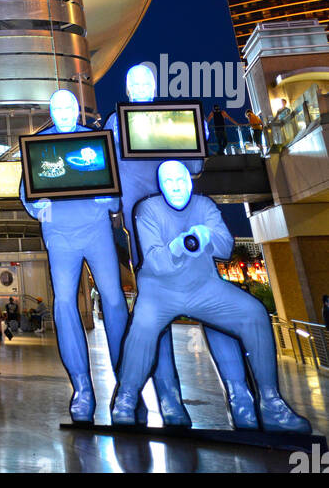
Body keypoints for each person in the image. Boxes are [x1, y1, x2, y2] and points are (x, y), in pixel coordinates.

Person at [106, 64, 255, 428]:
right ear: (126, 89)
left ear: (155, 86)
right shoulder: (115, 123)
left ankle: (239, 394)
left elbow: (193, 164)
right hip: (148, 238)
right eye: (133, 82)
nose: (140, 86)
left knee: (213, 304)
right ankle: (169, 397)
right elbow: (107, 174)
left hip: (188, 230)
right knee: (153, 317)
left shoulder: (174, 120)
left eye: (146, 81)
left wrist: (198, 136)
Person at [111, 163, 311, 433]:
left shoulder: (204, 206)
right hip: (159, 292)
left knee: (253, 313)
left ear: (190, 181)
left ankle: (271, 403)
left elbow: (226, 247)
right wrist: (179, 246)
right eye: (168, 181)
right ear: (161, 185)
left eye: (181, 179)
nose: (177, 186)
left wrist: (205, 237)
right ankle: (127, 398)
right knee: (142, 329)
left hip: (204, 288)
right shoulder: (148, 210)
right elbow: (157, 263)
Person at [21, 89, 129, 423]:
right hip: (62, 236)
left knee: (113, 299)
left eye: (69, 106)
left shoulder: (95, 140)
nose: (64, 112)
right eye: (57, 108)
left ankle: (127, 382)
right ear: (51, 112)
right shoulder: (40, 145)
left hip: (96, 231)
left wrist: (108, 201)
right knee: (65, 303)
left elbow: (115, 190)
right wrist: (39, 209)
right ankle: (81, 386)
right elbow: (27, 191)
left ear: (77, 109)